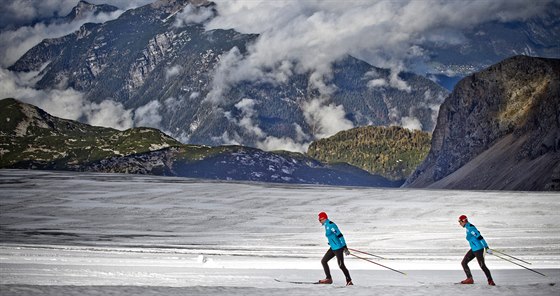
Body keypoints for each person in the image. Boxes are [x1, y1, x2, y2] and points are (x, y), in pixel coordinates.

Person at [458, 214, 495, 286]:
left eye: (460, 222)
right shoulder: (468, 227)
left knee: (482, 265)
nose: (459, 224)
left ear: (463, 221)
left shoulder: (470, 228)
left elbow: (480, 237)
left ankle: (490, 281)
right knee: (464, 263)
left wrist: (486, 247)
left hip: (478, 249)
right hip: (474, 249)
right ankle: (469, 279)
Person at [317, 211, 353, 286]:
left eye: (320, 220)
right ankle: (328, 279)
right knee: (324, 261)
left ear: (323, 218)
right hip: (333, 248)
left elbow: (340, 235)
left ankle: (349, 281)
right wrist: (331, 242)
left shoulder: (331, 225)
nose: (319, 221)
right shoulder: (326, 225)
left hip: (339, 248)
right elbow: (332, 236)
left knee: (341, 265)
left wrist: (345, 248)